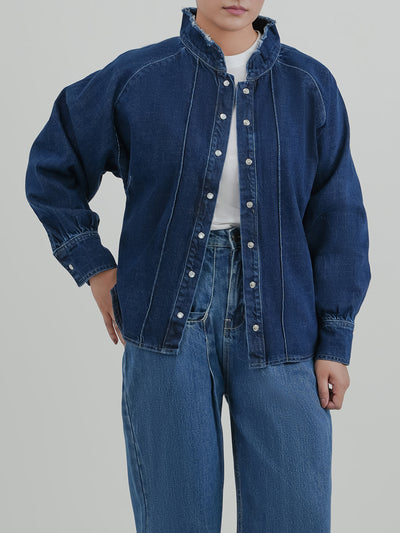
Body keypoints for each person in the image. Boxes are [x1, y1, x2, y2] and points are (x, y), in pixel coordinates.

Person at [25, 1, 371, 531]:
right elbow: (54, 165)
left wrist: (336, 340)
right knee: (175, 519)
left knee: (294, 517)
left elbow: (339, 213)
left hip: (284, 320)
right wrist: (94, 267)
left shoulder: (309, 85)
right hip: (165, 317)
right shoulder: (140, 77)